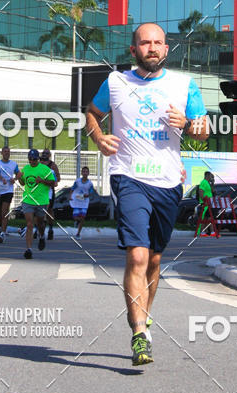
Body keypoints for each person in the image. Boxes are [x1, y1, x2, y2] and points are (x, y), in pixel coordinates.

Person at [86, 22, 208, 366]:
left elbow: (203, 131)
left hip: (168, 182)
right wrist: (98, 138)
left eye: (158, 43)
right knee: (137, 256)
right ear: (133, 50)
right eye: (145, 43)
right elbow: (91, 114)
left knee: (154, 259)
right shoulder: (115, 82)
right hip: (128, 177)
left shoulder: (184, 85)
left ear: (166, 49)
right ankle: (139, 332)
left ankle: (145, 315)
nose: (152, 48)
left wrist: (187, 124)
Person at [18, 149, 56, 257]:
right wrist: (20, 177)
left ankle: (42, 236)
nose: (32, 161)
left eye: (34, 159)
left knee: (40, 223)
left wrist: (42, 181)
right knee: (29, 224)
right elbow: (23, 182)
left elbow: (53, 183)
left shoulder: (44, 169)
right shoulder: (26, 168)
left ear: (38, 159)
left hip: (41, 201)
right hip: (28, 200)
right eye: (30, 159)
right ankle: (29, 249)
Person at [0, 145, 19, 243]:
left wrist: (15, 179)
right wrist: (1, 178)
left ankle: (3, 232)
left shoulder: (13, 164)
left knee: (4, 212)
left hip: (8, 190)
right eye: (5, 151)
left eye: (8, 152)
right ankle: (1, 228)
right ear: (1, 153)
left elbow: (19, 173)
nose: (7, 153)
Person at [40, 148, 60, 240]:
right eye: (43, 153)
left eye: (47, 153)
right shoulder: (38, 165)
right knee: (39, 211)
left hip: (49, 192)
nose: (45, 155)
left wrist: (48, 182)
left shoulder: (53, 166)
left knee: (49, 211)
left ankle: (50, 228)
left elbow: (57, 179)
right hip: (39, 192)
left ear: (49, 155)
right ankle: (38, 230)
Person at [70, 166, 95, 238]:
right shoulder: (77, 181)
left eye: (86, 172)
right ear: (81, 173)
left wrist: (88, 194)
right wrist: (70, 196)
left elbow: (91, 191)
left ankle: (78, 233)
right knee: (75, 217)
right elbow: (72, 188)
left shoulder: (90, 183)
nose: (85, 173)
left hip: (84, 201)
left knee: (83, 217)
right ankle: (77, 221)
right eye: (83, 171)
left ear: (88, 173)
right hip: (77, 199)